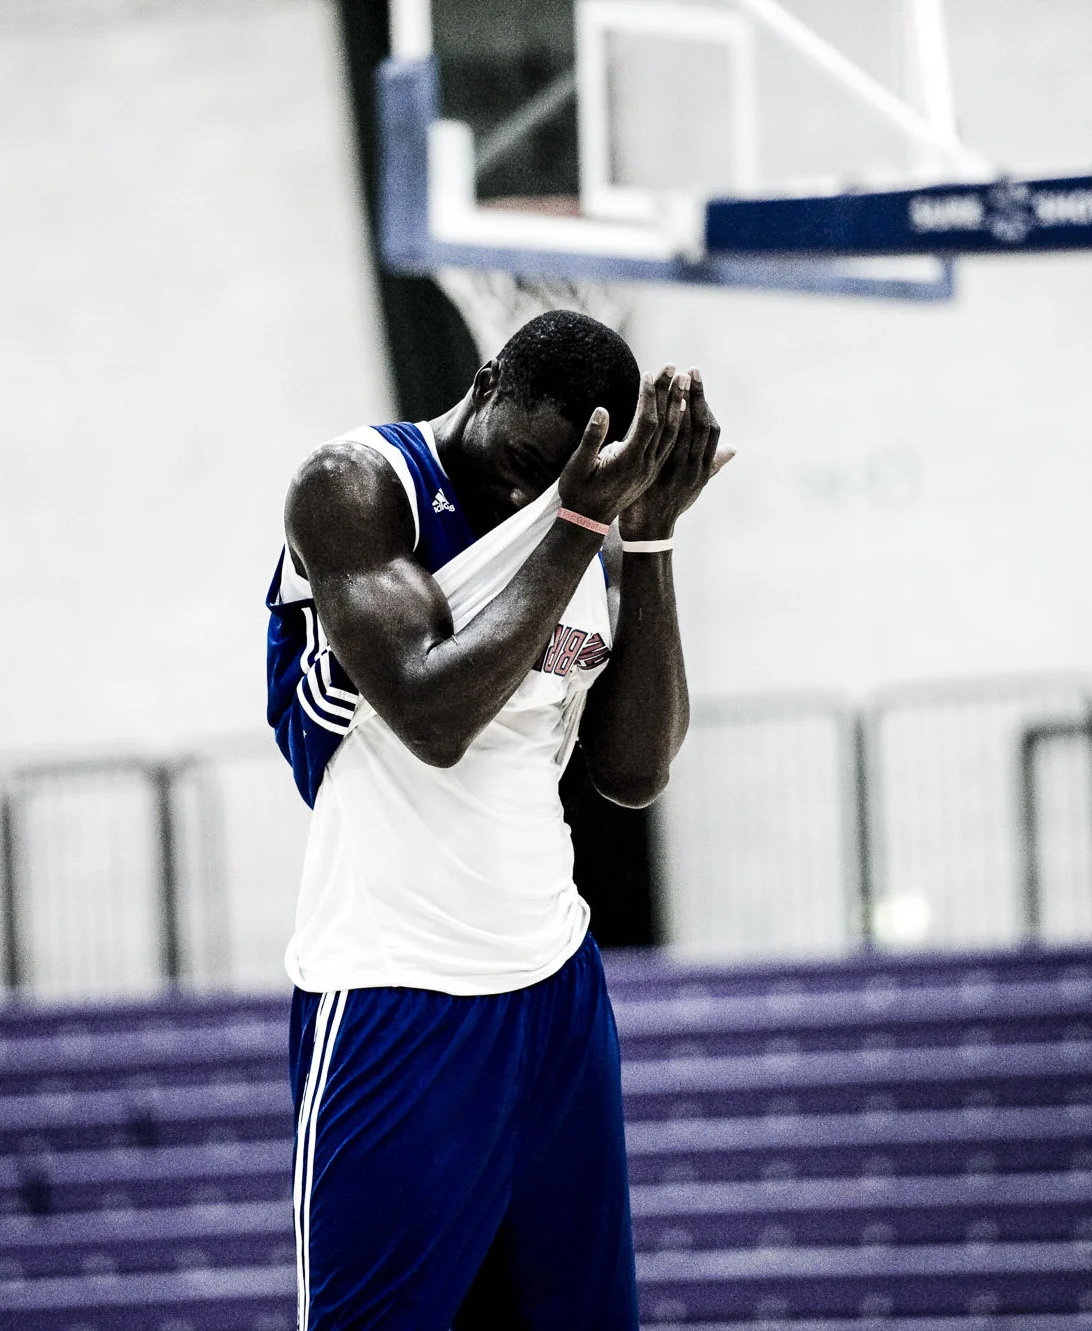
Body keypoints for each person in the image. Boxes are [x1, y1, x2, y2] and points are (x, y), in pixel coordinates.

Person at [263, 309, 732, 1329]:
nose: (525, 495)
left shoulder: (582, 520)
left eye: (551, 483)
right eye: (521, 463)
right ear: (483, 386)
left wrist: (647, 533)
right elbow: (432, 713)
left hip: (554, 985)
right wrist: (577, 523)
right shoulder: (356, 488)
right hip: (397, 989)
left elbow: (632, 770)